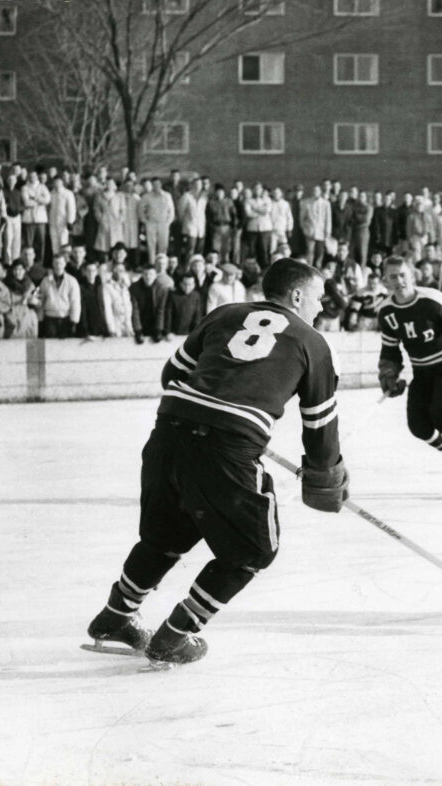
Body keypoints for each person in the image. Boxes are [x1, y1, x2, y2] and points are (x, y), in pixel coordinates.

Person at [85, 258, 348, 667]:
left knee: (165, 536)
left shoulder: (225, 313)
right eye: (317, 297)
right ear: (297, 296)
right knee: (253, 549)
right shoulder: (312, 341)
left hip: (169, 432)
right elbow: (320, 423)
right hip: (227, 448)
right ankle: (174, 636)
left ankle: (115, 617)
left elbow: (172, 373)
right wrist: (325, 472)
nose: (320, 306)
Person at [377, 256, 442, 497]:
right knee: (419, 426)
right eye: (393, 276)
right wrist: (389, 373)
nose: (399, 280)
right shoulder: (386, 312)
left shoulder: (433, 300)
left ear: (412, 275)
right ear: (386, 280)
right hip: (421, 372)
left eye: (403, 274)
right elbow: (390, 350)